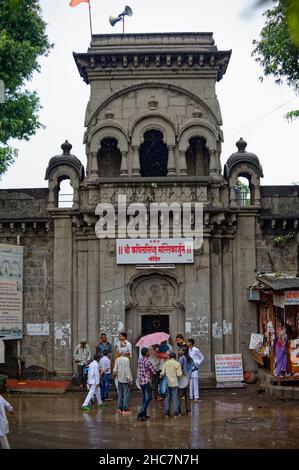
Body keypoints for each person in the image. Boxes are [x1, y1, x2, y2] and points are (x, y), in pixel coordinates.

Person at [160, 352, 182, 418]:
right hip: (174, 383)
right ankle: (176, 413)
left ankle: (166, 414)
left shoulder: (165, 363)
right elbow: (179, 374)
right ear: (175, 357)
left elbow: (162, 373)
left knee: (167, 398)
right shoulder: (177, 363)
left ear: (169, 357)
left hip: (167, 383)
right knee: (175, 398)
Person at [113, 344, 133, 415]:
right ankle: (125, 409)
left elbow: (115, 370)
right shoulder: (126, 360)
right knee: (126, 394)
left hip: (119, 379)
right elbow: (127, 370)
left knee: (120, 394)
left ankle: (119, 408)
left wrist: (115, 376)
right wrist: (130, 379)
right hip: (125, 379)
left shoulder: (117, 359)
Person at [137, 347, 155, 421]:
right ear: (146, 353)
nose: (149, 353)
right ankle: (141, 413)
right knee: (149, 397)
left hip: (141, 381)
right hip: (146, 381)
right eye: (148, 352)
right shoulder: (147, 361)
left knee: (144, 398)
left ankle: (144, 414)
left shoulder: (140, 360)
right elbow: (153, 371)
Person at [178, 345, 196, 415]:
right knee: (187, 396)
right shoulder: (191, 359)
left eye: (180, 350)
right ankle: (188, 411)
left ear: (183, 351)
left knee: (179, 396)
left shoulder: (181, 358)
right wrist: (190, 371)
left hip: (182, 378)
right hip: (188, 378)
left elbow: (179, 368)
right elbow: (196, 367)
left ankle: (179, 411)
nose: (179, 351)